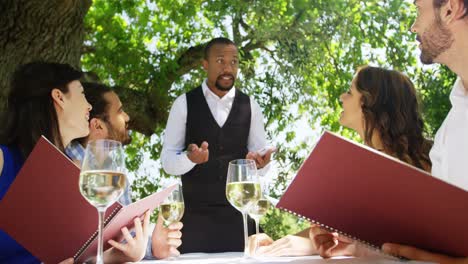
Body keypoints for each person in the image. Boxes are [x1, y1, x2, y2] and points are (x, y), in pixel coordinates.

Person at [250, 66, 432, 257]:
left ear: (370, 102)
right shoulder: (357, 166)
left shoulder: (425, 161)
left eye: (349, 92)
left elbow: (397, 236)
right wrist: (279, 245)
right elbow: (343, 230)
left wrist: (307, 244)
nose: (342, 97)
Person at [0, 62, 148, 263]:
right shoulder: (3, 161)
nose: (88, 106)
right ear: (59, 97)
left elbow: (74, 257)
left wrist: (119, 255)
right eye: (82, 94)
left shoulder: (76, 172)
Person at [161, 37, 274, 253]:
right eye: (220, 60)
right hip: (194, 225)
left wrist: (260, 165)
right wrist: (189, 159)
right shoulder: (183, 104)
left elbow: (262, 165)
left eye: (234, 62)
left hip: (240, 224)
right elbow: (168, 161)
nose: (228, 68)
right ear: (205, 64)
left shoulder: (251, 106)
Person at [65, 82, 183, 259]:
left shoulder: (115, 170)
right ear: (97, 126)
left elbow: (126, 241)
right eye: (120, 111)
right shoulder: (63, 166)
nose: (127, 117)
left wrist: (153, 247)